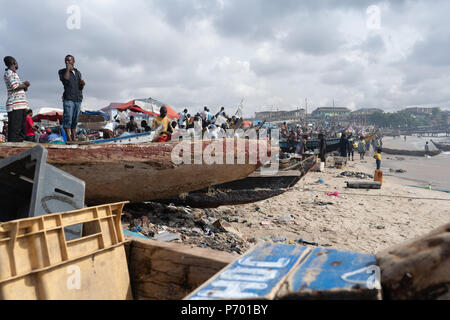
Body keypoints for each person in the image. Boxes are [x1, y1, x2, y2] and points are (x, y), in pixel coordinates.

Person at [3, 56, 30, 142]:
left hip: (21, 105)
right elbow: (14, 86)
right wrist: (25, 84)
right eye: (17, 62)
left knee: (22, 130)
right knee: (15, 129)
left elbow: (22, 87)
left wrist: (24, 85)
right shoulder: (8, 73)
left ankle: (20, 150)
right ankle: (12, 150)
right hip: (15, 105)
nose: (18, 64)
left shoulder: (15, 74)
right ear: (14, 62)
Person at [59, 55, 85, 142]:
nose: (67, 62)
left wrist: (82, 84)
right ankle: (69, 138)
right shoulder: (62, 71)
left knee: (75, 119)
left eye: (69, 60)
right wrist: (67, 69)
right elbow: (65, 80)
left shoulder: (78, 72)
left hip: (78, 99)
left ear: (73, 61)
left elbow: (80, 87)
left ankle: (74, 138)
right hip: (68, 99)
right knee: (68, 118)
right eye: (66, 60)